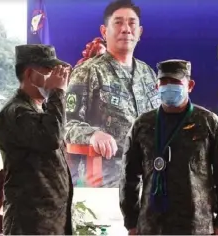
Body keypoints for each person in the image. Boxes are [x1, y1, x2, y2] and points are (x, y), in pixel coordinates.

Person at [119, 59, 218, 235]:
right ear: (157, 87)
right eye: (164, 82)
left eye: (175, 82)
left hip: (197, 226)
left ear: (189, 85)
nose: (168, 87)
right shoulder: (143, 124)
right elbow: (129, 177)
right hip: (152, 226)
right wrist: (131, 222)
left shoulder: (208, 123)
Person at [65, 0, 160, 187]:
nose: (126, 29)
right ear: (103, 31)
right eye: (118, 22)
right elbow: (66, 124)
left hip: (152, 176)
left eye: (132, 23)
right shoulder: (88, 72)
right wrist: (93, 135)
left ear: (139, 32)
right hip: (109, 177)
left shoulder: (148, 73)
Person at [0, 44, 73, 235]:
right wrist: (57, 93)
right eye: (49, 71)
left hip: (51, 220)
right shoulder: (16, 112)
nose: (57, 78)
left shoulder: (39, 109)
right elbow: (51, 138)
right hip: (30, 223)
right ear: (30, 74)